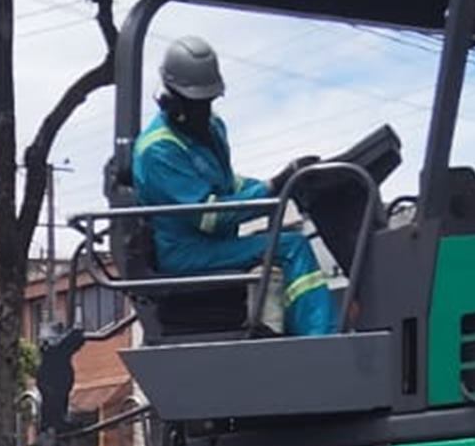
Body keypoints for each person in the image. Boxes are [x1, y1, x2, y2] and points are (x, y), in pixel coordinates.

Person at [132, 35, 337, 337]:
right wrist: (274, 185)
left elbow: (229, 184)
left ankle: (299, 334)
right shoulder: (158, 150)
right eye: (196, 103)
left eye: (209, 101)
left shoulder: (213, 127)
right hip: (187, 253)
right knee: (291, 247)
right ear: (172, 97)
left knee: (286, 241)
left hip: (215, 244)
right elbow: (210, 218)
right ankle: (322, 341)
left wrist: (287, 184)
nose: (205, 111)